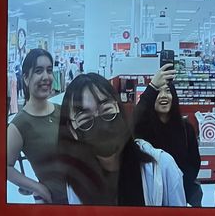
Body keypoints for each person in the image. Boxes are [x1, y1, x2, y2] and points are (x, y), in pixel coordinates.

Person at [58, 72, 186, 206]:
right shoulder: (77, 181)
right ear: (72, 130)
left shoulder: (162, 168)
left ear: (119, 108)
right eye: (84, 119)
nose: (100, 125)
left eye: (107, 110)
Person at [133, 64, 203, 206]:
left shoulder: (186, 128)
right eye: (158, 92)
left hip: (184, 192)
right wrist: (152, 87)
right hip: (152, 195)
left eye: (168, 91)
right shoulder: (143, 128)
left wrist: (176, 184)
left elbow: (194, 163)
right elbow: (133, 121)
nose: (163, 96)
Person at [7, 48, 66, 204]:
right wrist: (37, 187)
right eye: (38, 71)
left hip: (83, 199)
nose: (46, 77)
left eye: (49, 70)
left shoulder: (62, 111)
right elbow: (4, 167)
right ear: (26, 78)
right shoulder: (19, 124)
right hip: (56, 205)